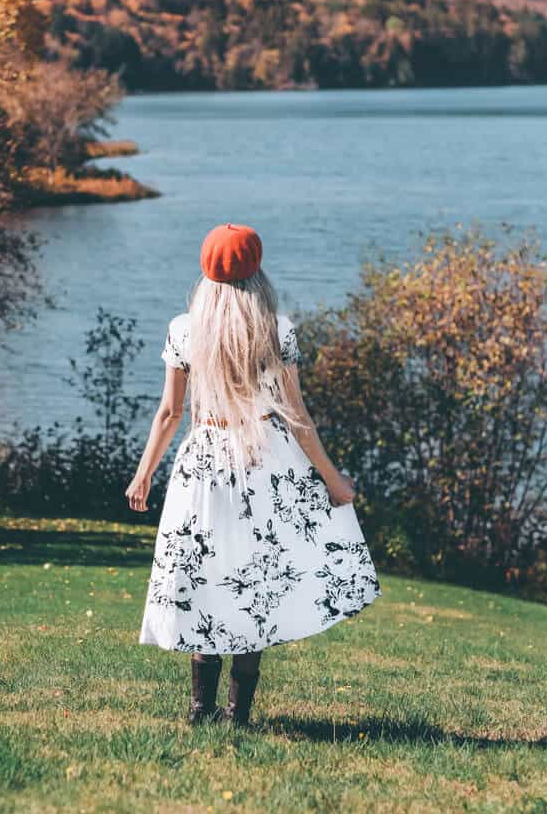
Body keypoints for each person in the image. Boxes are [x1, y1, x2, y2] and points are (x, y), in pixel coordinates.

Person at [126, 222, 381, 728]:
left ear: (205, 271)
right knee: (257, 582)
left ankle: (201, 710)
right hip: (266, 461)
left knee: (206, 577)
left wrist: (144, 474)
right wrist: (333, 479)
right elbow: (298, 419)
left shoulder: (184, 330)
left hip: (202, 466)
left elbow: (169, 414)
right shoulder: (276, 330)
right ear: (258, 271)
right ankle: (237, 715)